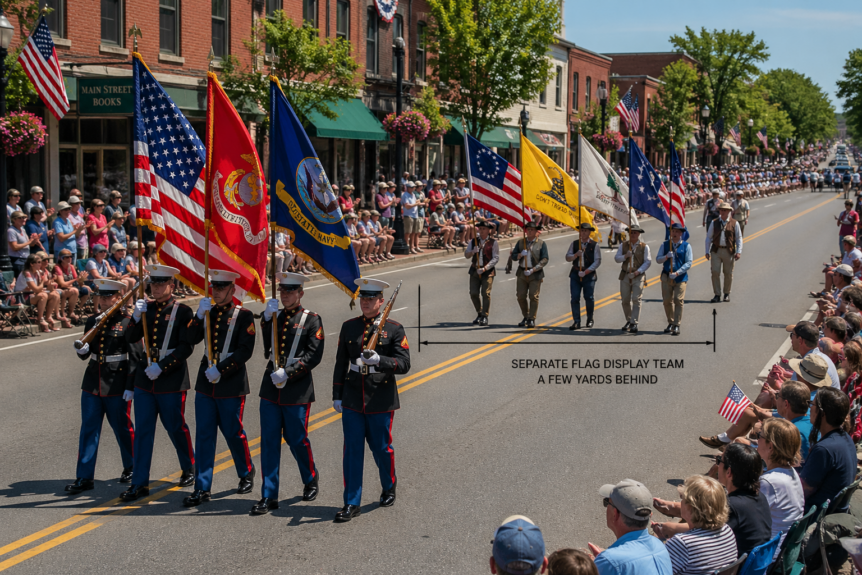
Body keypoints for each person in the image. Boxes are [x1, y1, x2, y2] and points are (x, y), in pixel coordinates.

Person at [332, 278, 411, 522]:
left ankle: (389, 485)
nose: (365, 302)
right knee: (352, 451)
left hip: (380, 398)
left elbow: (404, 364)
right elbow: (340, 364)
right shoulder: (349, 327)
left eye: (370, 299)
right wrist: (337, 394)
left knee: (381, 449)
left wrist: (381, 361)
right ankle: (351, 501)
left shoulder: (394, 328)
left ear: (381, 301)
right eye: (362, 298)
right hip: (353, 398)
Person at [121, 265, 196, 501]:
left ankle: (189, 467)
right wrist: (134, 318)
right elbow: (131, 339)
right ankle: (139, 483)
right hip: (145, 378)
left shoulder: (182, 311)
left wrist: (162, 366)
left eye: (161, 284)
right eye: (153, 284)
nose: (156, 288)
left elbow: (187, 346)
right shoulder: (146, 309)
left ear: (171, 286)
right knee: (143, 431)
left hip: (171, 378)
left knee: (175, 426)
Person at [182, 270, 256, 507]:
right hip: (206, 380)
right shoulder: (208, 312)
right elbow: (190, 340)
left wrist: (222, 369)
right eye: (215, 287)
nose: (217, 292)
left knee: (233, 431)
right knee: (204, 435)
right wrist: (198, 316)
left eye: (222, 288)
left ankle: (245, 472)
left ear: (233, 290)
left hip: (231, 380)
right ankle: (202, 487)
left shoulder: (243, 316)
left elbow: (246, 350)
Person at [252, 272, 325, 515]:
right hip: (271, 385)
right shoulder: (275, 316)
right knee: (269, 441)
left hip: (296, 388)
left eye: (290, 291)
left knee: (297, 439)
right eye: (283, 291)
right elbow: (266, 347)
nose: (285, 295)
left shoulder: (311, 320)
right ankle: (269, 494)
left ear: (300, 293)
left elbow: (313, 355)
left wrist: (290, 372)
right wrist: (265, 319)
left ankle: (310, 477)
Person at [65, 279, 142, 494]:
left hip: (117, 383)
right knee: (88, 430)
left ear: (120, 298)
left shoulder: (128, 322)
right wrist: (82, 351)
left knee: (123, 429)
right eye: (103, 296)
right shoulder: (93, 320)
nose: (105, 300)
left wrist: (130, 386)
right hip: (92, 382)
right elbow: (88, 352)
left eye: (110, 296)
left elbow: (135, 357)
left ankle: (132, 466)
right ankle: (84, 476)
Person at [656, 476, 738, 575]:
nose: (680, 502)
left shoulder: (682, 544)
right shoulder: (727, 531)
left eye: (682, 498)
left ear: (690, 507)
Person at [588, 479, 672, 575]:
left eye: (607, 502)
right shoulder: (660, 546)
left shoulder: (610, 562)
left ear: (615, 513)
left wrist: (603, 563)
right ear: (650, 515)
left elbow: (617, 564)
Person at [799, 387, 856, 511]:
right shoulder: (845, 438)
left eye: (812, 404)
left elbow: (803, 491)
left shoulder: (824, 449)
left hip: (814, 516)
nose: (810, 408)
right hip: (833, 510)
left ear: (822, 413)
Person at [757, 418, 805, 551]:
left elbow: (749, 519)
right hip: (785, 550)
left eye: (759, 436)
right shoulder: (791, 472)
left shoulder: (769, 482)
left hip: (768, 554)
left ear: (770, 446)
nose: (757, 440)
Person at [656, 223, 693, 336]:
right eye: (673, 231)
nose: (675, 233)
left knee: (678, 300)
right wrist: (666, 257)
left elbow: (689, 262)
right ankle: (670, 322)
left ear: (681, 233)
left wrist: (677, 272)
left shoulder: (686, 246)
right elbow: (658, 259)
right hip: (667, 276)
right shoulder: (665, 245)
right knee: (667, 301)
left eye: (677, 231)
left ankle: (677, 324)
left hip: (680, 278)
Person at [511, 222, 549, 329]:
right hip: (522, 272)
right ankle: (526, 316)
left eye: (532, 230)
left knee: (533, 296)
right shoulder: (520, 243)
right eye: (528, 229)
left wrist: (533, 270)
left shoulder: (541, 243)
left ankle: (532, 318)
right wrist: (519, 255)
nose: (530, 231)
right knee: (520, 296)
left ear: (537, 232)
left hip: (535, 274)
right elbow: (513, 257)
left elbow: (545, 259)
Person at [614, 225, 650, 334]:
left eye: (635, 232)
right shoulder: (623, 245)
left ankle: (634, 322)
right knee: (625, 299)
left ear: (639, 234)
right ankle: (629, 320)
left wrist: (637, 272)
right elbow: (617, 258)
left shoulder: (644, 247)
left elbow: (647, 262)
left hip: (638, 275)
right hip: (625, 275)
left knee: (636, 298)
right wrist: (625, 256)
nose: (633, 234)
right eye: (631, 232)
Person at [705, 202, 743, 303]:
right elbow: (708, 238)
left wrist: (738, 251)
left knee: (728, 273)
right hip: (716, 250)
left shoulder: (735, 223)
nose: (722, 212)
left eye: (725, 210)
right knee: (715, 272)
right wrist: (707, 251)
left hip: (729, 251)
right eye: (721, 210)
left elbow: (739, 238)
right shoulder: (714, 222)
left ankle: (727, 293)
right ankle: (717, 294)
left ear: (729, 211)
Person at [567, 223, 601, 330]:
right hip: (576, 274)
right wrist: (576, 255)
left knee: (589, 297)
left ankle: (590, 318)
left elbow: (597, 261)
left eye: (586, 231)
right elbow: (568, 257)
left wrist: (586, 271)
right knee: (575, 298)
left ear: (589, 232)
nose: (583, 233)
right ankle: (576, 321)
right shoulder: (575, 244)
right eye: (582, 230)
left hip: (588, 275)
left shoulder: (595, 245)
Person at [14, 253, 60, 332]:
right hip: (21, 297)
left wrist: (51, 280)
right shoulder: (26, 273)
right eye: (38, 262)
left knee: (55, 295)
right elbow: (36, 289)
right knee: (43, 295)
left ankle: (48, 317)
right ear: (31, 264)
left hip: (32, 295)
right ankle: (40, 319)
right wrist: (42, 281)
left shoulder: (38, 272)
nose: (41, 264)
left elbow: (44, 288)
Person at [465, 221, 499, 326]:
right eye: (480, 228)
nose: (482, 230)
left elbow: (496, 258)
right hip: (475, 270)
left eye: (484, 229)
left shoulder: (493, 242)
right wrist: (472, 252)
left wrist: (485, 268)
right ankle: (479, 313)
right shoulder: (473, 241)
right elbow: (466, 255)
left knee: (486, 293)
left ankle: (485, 316)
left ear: (489, 230)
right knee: (473, 293)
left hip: (487, 271)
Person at [53, 249, 87, 323]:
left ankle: (79, 309)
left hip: (69, 287)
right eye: (67, 257)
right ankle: (70, 312)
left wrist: (82, 279)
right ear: (61, 258)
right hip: (60, 288)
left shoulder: (71, 267)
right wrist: (76, 280)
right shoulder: (57, 267)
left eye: (70, 257)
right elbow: (62, 284)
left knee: (87, 289)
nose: (69, 259)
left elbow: (78, 282)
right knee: (74, 290)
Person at [52, 201, 86, 266]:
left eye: (68, 209)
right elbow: (61, 238)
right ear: (60, 211)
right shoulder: (57, 222)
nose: (68, 211)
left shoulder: (68, 220)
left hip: (72, 251)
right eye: (65, 210)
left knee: (72, 272)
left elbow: (75, 235)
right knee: (62, 272)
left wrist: (79, 230)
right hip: (62, 253)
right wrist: (74, 231)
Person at [7, 210, 39, 275]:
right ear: (14, 219)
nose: (23, 219)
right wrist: (29, 242)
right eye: (20, 218)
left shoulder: (22, 229)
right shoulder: (11, 231)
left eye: (24, 218)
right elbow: (14, 247)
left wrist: (34, 240)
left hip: (25, 260)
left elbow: (29, 245)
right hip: (17, 261)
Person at [67, 195, 88, 261]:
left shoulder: (79, 215)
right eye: (76, 203)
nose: (79, 205)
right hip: (76, 244)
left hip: (83, 243)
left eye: (79, 203)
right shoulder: (69, 216)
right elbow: (72, 231)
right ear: (70, 205)